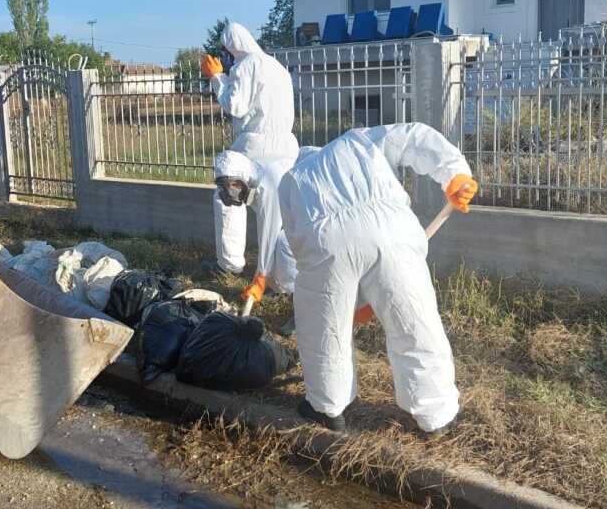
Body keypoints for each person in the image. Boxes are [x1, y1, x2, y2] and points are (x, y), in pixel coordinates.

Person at [273, 123, 478, 434]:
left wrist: (351, 302)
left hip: (326, 242)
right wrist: (455, 174)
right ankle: (435, 416)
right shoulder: (356, 142)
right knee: (415, 321)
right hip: (392, 229)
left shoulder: (291, 180)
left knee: (324, 329)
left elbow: (301, 249)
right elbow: (412, 136)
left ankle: (327, 409)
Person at [200, 23, 298, 277]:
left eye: (226, 50)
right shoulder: (278, 67)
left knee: (228, 194)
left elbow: (236, 105)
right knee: (281, 214)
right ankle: (283, 276)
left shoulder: (246, 65)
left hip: (255, 149)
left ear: (232, 46)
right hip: (287, 151)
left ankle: (229, 264)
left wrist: (217, 78)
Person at [213, 150, 297, 304]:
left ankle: (296, 296)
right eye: (225, 186)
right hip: (298, 214)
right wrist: (261, 276)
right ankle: (280, 288)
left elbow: (269, 234)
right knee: (277, 250)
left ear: (242, 176)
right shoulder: (256, 178)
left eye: (233, 184)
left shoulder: (268, 184)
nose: (230, 190)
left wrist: (260, 278)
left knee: (284, 245)